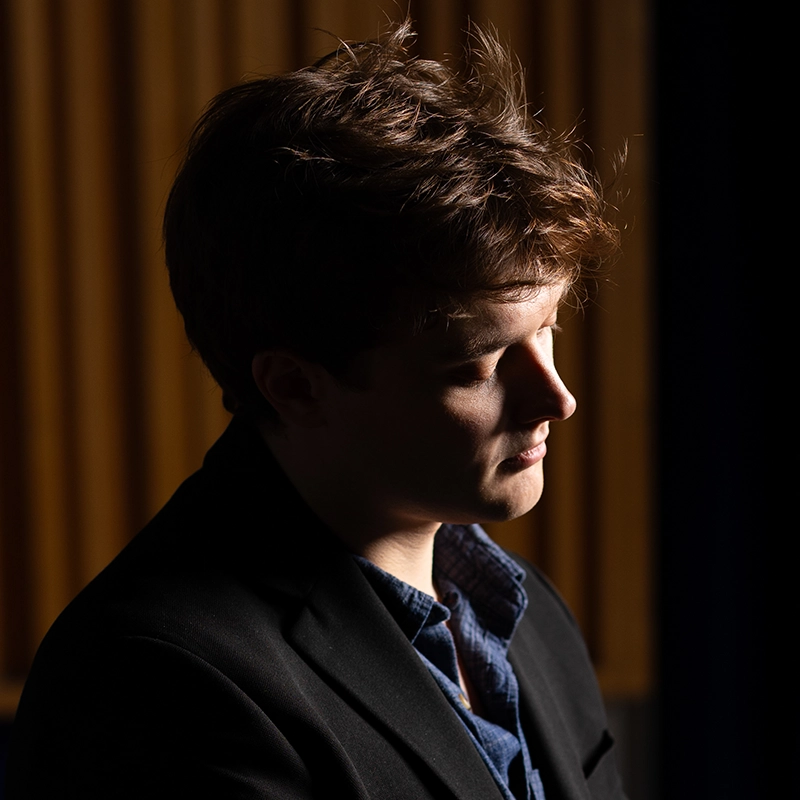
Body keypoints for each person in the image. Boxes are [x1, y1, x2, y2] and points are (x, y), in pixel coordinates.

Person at [7, 22, 625, 800]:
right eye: (478, 364)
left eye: (550, 332)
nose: (557, 399)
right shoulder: (153, 685)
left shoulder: (532, 618)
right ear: (296, 386)